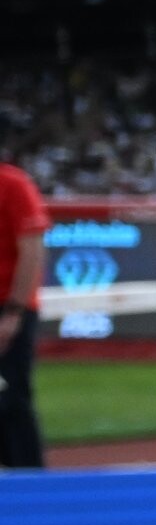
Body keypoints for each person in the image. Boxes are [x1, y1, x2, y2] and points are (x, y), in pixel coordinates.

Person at [0, 151, 46, 470]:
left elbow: (32, 250)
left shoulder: (13, 184)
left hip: (8, 305)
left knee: (10, 397)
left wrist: (13, 312)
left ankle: (30, 482)